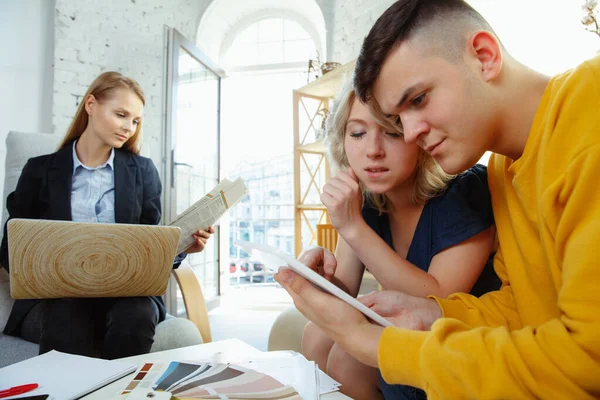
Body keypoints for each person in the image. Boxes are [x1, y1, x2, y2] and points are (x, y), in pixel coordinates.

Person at [275, 0, 600, 398]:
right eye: (399, 117)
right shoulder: (503, 168)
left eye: (418, 100)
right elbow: (519, 307)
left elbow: (589, 360)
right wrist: (433, 311)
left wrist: (371, 342)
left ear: (484, 56)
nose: (410, 134)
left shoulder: (590, 104)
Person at [301, 80, 499, 399]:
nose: (373, 150)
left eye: (392, 133)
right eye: (357, 133)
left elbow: (438, 299)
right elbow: (344, 293)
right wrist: (318, 280)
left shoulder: (463, 188)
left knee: (346, 358)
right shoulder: (367, 202)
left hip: (465, 336)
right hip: (410, 328)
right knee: (316, 336)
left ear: (418, 137)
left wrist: (353, 228)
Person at [0, 71, 214, 360]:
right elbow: (10, 249)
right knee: (67, 315)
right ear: (91, 105)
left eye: (136, 120)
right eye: (121, 115)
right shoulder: (38, 171)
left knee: (136, 314)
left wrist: (181, 248)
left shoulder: (143, 171)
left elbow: (150, 249)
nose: (129, 127)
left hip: (127, 293)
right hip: (58, 295)